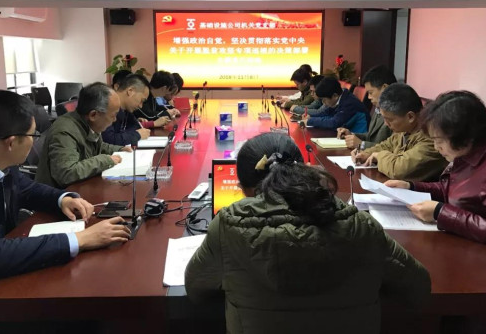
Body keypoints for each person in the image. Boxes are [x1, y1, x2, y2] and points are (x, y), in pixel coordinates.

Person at [185, 132, 430, 334]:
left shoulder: (228, 228)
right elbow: (418, 289)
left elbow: (196, 290)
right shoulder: (361, 226)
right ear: (305, 172)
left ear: (244, 189)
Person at [0, 90, 130, 282]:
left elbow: (25, 188)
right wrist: (80, 239)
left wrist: (62, 199)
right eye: (33, 135)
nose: (34, 141)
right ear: (11, 143)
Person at [385, 91, 486, 257]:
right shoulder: (465, 153)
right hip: (461, 245)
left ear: (464, 135)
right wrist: (411, 186)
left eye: (439, 141)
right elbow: (449, 189)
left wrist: (440, 212)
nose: (436, 147)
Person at [36, 82, 129, 188]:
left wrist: (120, 149)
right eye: (113, 115)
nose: (115, 119)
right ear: (93, 115)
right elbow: (66, 174)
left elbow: (98, 146)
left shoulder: (88, 124)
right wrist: (105, 160)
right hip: (60, 194)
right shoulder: (64, 132)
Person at [352, 83, 447, 181]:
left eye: (389, 120)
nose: (386, 124)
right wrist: (365, 153)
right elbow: (387, 145)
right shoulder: (405, 130)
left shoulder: (432, 138)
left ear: (410, 117)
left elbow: (398, 170)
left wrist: (379, 156)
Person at [337, 65, 396, 149]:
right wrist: (351, 135)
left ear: (385, 89)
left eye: (371, 92)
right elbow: (370, 137)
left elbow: (393, 148)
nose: (368, 97)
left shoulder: (397, 113)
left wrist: (362, 144)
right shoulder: (378, 109)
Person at [301, 76, 369, 133]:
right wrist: (310, 116)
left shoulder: (349, 103)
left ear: (335, 96)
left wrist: (310, 121)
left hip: (358, 136)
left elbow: (334, 122)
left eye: (324, 99)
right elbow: (326, 112)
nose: (323, 102)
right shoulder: (340, 97)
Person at [102, 74, 151, 146]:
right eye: (142, 100)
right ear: (130, 91)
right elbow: (109, 140)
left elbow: (137, 126)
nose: (141, 106)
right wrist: (136, 135)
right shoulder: (106, 104)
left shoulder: (126, 109)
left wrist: (123, 135)